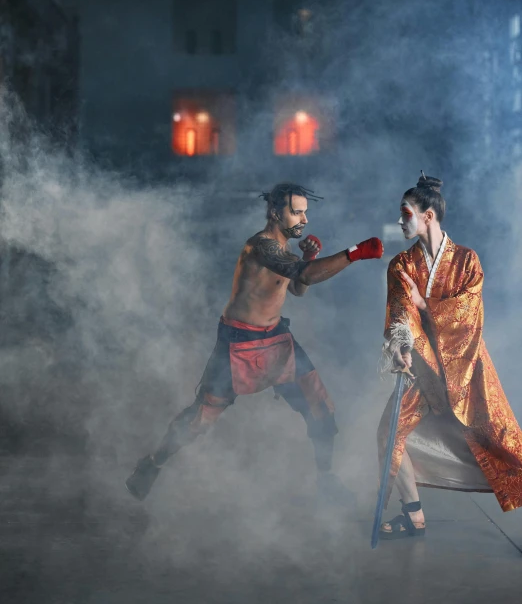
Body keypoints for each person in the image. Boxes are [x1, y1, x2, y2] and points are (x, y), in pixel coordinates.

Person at [126, 182, 384, 502]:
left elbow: (297, 289)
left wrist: (310, 256)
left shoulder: (285, 251)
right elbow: (303, 276)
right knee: (200, 419)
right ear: (276, 213)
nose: (304, 219)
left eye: (306, 212)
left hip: (276, 340)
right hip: (238, 342)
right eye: (297, 212)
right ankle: (152, 464)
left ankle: (325, 482)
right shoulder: (261, 246)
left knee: (320, 407)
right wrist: (354, 253)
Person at [377, 173, 522, 540]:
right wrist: (403, 344)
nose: (400, 221)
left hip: (467, 367)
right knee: (388, 435)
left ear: (427, 215)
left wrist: (425, 305)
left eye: (405, 213)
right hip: (422, 369)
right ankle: (413, 516)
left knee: (504, 442)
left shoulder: (467, 261)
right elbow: (399, 314)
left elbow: (469, 314)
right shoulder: (400, 265)